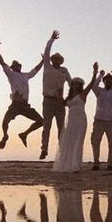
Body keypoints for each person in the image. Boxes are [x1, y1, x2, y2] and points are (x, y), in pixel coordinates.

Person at [0, 39, 44, 149]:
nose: (17, 66)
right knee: (5, 121)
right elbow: (2, 62)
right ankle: (5, 136)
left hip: (25, 105)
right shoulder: (10, 74)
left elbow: (36, 70)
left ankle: (24, 134)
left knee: (41, 121)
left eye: (18, 65)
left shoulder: (26, 75)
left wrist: (43, 61)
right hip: (15, 104)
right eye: (15, 65)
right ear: (12, 67)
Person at [52, 63, 98, 173]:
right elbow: (62, 104)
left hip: (80, 120)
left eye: (78, 84)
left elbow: (91, 85)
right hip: (71, 121)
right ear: (72, 86)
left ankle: (76, 166)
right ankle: (67, 164)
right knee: (68, 142)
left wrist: (95, 73)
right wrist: (58, 95)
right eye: (74, 84)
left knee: (78, 142)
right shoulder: (69, 98)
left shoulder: (82, 95)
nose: (76, 86)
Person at [40, 30, 72, 160]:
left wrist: (69, 99)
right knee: (46, 126)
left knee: (61, 128)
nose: (57, 61)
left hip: (60, 101)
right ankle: (44, 149)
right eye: (55, 59)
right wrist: (51, 39)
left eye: (59, 60)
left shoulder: (64, 71)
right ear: (52, 60)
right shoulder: (47, 66)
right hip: (48, 100)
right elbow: (47, 51)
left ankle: (62, 151)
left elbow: (71, 84)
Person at [90, 68, 112, 171]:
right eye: (107, 80)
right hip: (99, 120)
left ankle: (110, 164)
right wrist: (100, 76)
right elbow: (93, 86)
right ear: (104, 81)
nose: (109, 81)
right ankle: (96, 163)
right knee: (95, 142)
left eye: (111, 80)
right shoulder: (99, 91)